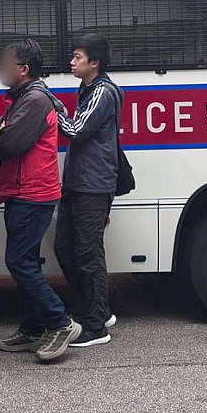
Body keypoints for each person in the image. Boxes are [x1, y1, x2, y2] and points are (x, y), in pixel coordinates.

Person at [0, 39, 82, 362]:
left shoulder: (35, 100)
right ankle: (32, 329)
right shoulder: (22, 98)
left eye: (7, 63)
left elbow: (8, 144)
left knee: (18, 262)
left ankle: (60, 322)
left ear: (23, 70)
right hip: (22, 191)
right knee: (25, 261)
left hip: (32, 192)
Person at [53, 34, 124, 348]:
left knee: (88, 254)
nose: (71, 62)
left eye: (77, 57)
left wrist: (53, 109)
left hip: (93, 185)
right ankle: (99, 310)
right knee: (64, 247)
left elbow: (76, 130)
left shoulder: (102, 91)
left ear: (94, 63)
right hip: (79, 182)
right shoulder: (87, 89)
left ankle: (96, 327)